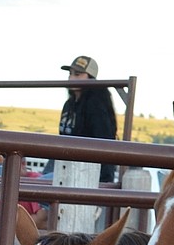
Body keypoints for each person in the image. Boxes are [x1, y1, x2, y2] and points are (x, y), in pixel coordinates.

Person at [43, 55, 118, 185]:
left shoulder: (96, 105)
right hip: (67, 164)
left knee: (36, 185)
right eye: (70, 74)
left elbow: (102, 142)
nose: (71, 78)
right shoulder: (69, 104)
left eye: (77, 74)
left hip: (87, 171)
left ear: (91, 78)